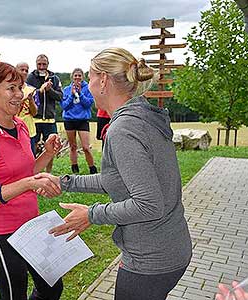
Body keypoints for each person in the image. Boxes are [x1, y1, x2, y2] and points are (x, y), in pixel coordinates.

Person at [41, 47, 192, 300]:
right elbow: (118, 179)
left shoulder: (124, 129)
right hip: (170, 249)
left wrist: (91, 214)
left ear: (103, 80)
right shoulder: (142, 115)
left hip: (150, 260)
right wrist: (63, 182)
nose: (88, 85)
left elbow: (148, 205)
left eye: (90, 77)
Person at [0, 61, 63, 300]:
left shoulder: (19, 126)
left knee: (52, 288)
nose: (20, 94)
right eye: (11, 88)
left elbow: (26, 171)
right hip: (2, 233)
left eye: (20, 87)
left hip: (31, 224)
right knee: (13, 296)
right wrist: (29, 184)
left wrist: (47, 154)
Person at [26, 54, 63, 172]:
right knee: (33, 147)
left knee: (51, 147)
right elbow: (28, 94)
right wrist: (41, 90)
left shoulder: (55, 78)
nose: (41, 67)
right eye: (39, 64)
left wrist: (49, 90)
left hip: (49, 119)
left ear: (48, 64)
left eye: (44, 64)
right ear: (36, 64)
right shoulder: (30, 78)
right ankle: (33, 172)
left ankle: (48, 173)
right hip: (34, 118)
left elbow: (60, 96)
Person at [61, 68, 97, 174]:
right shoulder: (67, 89)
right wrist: (72, 95)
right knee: (73, 146)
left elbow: (88, 104)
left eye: (79, 75)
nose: (77, 78)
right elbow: (64, 106)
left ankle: (92, 168)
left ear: (83, 77)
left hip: (82, 120)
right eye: (75, 75)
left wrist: (80, 94)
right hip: (69, 119)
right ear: (72, 77)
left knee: (86, 147)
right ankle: (74, 167)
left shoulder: (88, 88)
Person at [16, 62, 38, 155]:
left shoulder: (32, 90)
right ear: (16, 71)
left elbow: (34, 113)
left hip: (29, 129)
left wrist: (31, 100)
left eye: (26, 70)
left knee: (30, 156)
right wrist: (22, 100)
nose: (24, 72)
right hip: (13, 128)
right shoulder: (9, 89)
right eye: (22, 70)